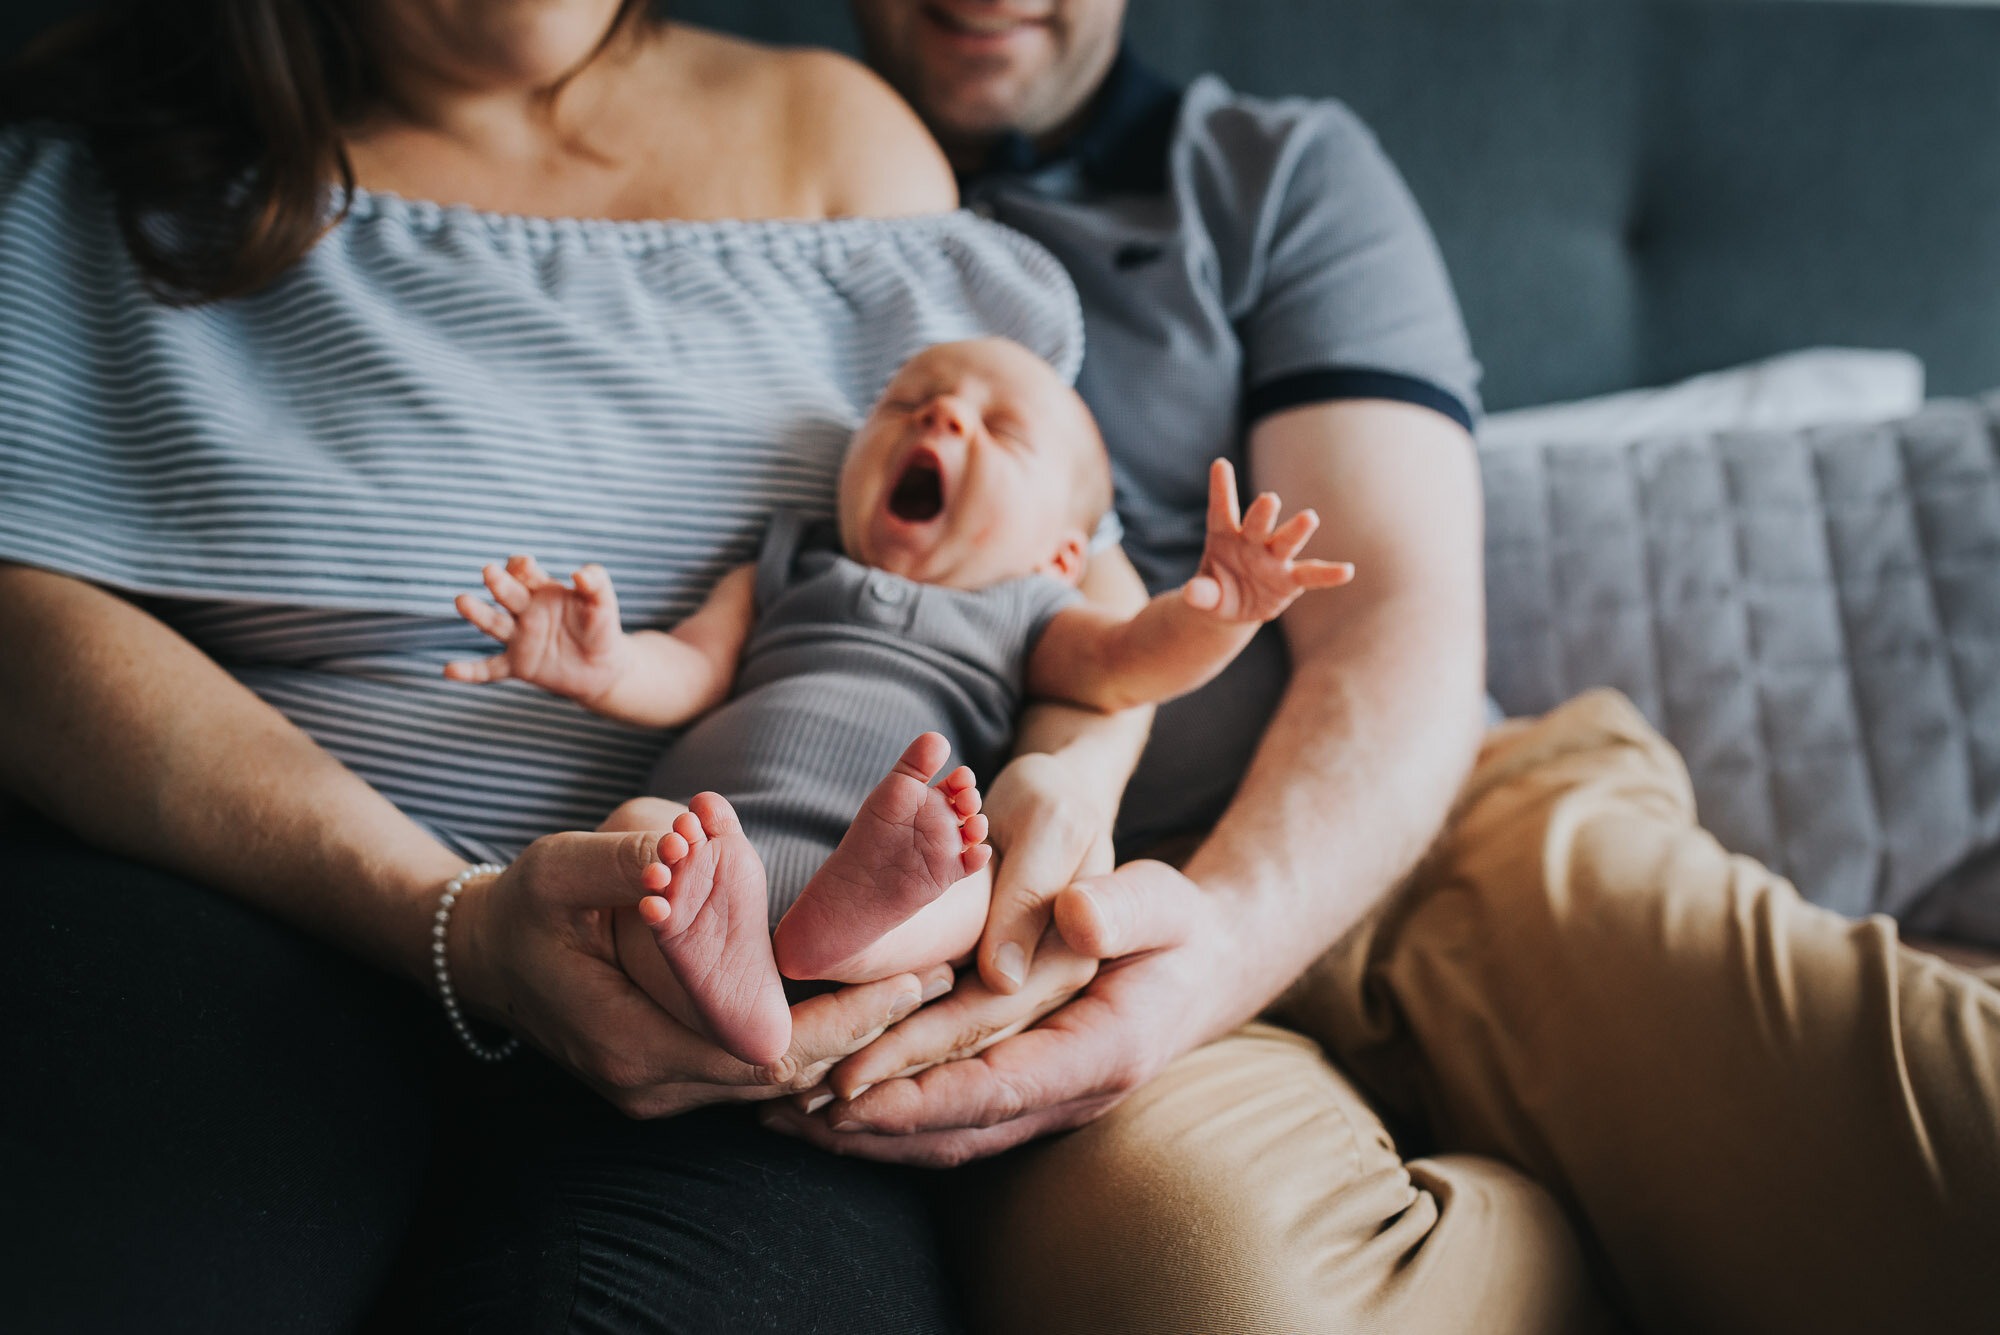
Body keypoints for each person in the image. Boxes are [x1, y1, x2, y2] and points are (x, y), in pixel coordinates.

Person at [747, 4, 2000, 1332]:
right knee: (1211, 1295)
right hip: (1069, 940)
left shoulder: (1269, 176)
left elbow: (1391, 620)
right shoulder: (754, 215)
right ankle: (1571, 1230)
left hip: (1454, 822)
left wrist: (1216, 943)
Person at [0, 3, 1153, 1330]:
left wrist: (1070, 775)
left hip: (751, 1012)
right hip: (236, 914)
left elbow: (1080, 571)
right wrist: (456, 918)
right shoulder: (93, 173)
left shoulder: (841, 141)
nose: (940, 420)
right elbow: (24, 625)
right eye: (916, 408)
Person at [446, 334, 1348, 1066]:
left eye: (1001, 430)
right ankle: (737, 992)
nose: (943, 412)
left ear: (1062, 557)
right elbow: (689, 668)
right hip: (718, 852)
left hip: (890, 868)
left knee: (968, 874)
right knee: (641, 833)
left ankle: (848, 932)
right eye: (907, 403)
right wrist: (602, 664)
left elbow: (1128, 663)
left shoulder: (1029, 609)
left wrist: (1218, 615)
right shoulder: (789, 568)